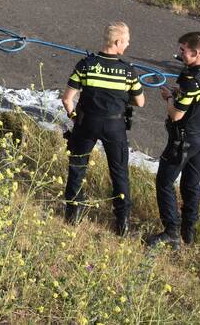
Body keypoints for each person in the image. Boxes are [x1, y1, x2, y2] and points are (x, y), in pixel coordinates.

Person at [61, 22, 145, 236]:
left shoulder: (85, 65)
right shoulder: (128, 71)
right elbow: (140, 102)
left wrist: (74, 117)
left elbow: (67, 99)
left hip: (86, 122)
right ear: (117, 42)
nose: (127, 45)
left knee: (77, 166)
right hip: (114, 125)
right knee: (119, 172)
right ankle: (122, 222)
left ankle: (72, 213)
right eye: (126, 41)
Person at [147, 31, 200, 249]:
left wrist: (170, 97)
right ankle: (188, 231)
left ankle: (171, 232)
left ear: (197, 52)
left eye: (183, 50)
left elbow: (176, 115)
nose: (180, 54)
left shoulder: (190, 79)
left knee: (164, 182)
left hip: (183, 140)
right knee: (191, 184)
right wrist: (186, 97)